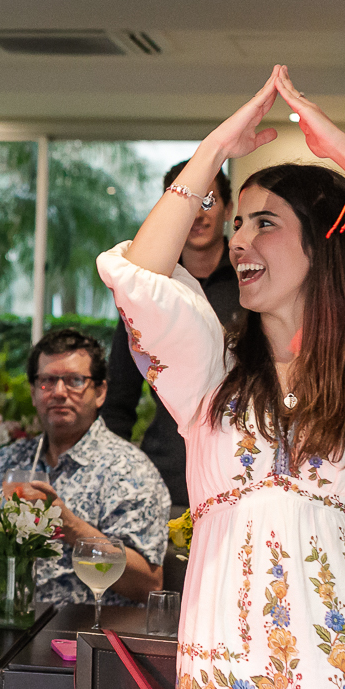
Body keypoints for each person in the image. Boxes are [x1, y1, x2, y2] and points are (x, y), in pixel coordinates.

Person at [97, 65, 345, 689]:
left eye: (265, 223)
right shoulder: (212, 371)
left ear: (326, 244)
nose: (239, 240)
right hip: (231, 661)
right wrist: (212, 152)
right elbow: (139, 278)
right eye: (238, 222)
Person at [0, 328, 170, 606]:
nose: (59, 392)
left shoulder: (129, 471)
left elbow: (147, 583)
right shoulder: (10, 461)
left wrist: (69, 525)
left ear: (100, 392)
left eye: (74, 381)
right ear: (34, 392)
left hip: (83, 638)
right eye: (47, 381)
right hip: (3, 626)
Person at [102, 160, 242, 507]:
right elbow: (120, 393)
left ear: (228, 209)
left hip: (239, 467)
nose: (198, 214)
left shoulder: (251, 281)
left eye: (208, 202)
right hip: (166, 472)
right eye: (190, 204)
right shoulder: (148, 289)